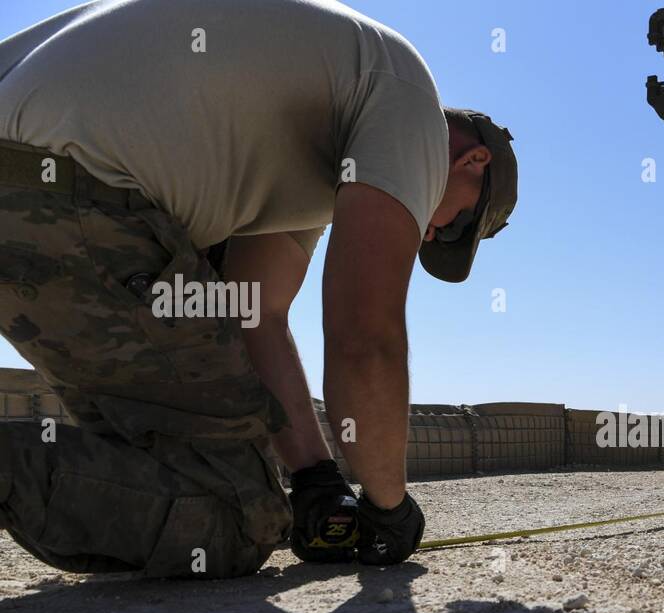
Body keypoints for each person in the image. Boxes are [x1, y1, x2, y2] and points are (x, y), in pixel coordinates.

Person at [0, 0, 517, 577]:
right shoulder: (410, 109)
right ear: (472, 160)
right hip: (57, 189)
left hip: (34, 177)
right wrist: (388, 505)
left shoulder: (329, 122)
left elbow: (255, 310)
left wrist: (315, 477)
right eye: (455, 223)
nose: (430, 231)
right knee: (236, 513)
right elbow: (364, 338)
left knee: (152, 462)